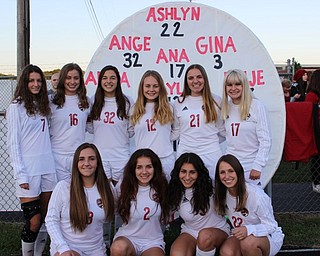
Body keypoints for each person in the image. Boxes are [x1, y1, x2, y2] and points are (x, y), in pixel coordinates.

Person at [6, 64, 56, 256]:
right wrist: (20, 175)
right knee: (33, 221)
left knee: (45, 218)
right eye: (31, 81)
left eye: (38, 81)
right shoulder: (16, 107)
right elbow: (13, 144)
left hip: (48, 169)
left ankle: (39, 253)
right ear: (24, 83)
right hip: (28, 171)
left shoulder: (45, 105)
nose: (35, 84)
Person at [45, 143, 115, 256]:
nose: (86, 163)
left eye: (91, 159)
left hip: (96, 250)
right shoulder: (63, 187)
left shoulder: (107, 188)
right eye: (81, 159)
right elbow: (51, 220)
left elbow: (118, 210)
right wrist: (63, 248)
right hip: (69, 248)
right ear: (76, 164)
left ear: (98, 163)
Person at [214, 154, 284, 256]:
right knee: (227, 252)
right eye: (222, 172)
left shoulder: (256, 196)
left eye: (231, 171)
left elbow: (271, 226)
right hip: (241, 234)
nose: (227, 176)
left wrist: (248, 230)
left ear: (238, 172)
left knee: (248, 244)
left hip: (268, 237)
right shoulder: (222, 194)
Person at [167, 152, 229, 256]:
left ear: (199, 173)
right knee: (177, 253)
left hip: (217, 229)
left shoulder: (212, 187)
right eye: (183, 172)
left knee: (204, 237)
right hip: (190, 231)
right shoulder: (175, 191)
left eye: (192, 172)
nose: (187, 177)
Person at [110, 148, 169, 256]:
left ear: (155, 168)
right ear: (133, 169)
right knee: (119, 248)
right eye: (139, 167)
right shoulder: (124, 186)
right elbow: (113, 209)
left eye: (149, 167)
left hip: (152, 241)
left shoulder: (162, 186)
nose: (144, 172)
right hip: (128, 237)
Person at [173, 64, 225, 179]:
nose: (195, 81)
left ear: (205, 78)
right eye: (191, 78)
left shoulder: (216, 101)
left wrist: (209, 142)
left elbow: (222, 131)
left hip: (211, 155)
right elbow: (176, 131)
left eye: (199, 77)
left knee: (213, 190)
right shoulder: (179, 102)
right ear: (186, 81)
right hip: (186, 154)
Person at [221, 69, 271, 186]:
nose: (233, 88)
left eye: (237, 84)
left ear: (244, 85)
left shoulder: (257, 106)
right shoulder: (225, 107)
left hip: (251, 166)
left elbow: (265, 140)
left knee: (251, 202)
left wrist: (258, 165)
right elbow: (223, 134)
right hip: (231, 166)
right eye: (229, 85)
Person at [90, 65, 134, 186]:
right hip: (100, 156)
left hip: (121, 156)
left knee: (121, 194)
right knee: (104, 194)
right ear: (100, 81)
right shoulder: (93, 101)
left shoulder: (127, 102)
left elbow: (131, 130)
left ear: (118, 80)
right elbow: (90, 127)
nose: (108, 81)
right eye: (105, 78)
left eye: (112, 78)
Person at [131, 70, 176, 180]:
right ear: (142, 88)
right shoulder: (134, 109)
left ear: (160, 88)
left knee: (166, 193)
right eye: (147, 86)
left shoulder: (169, 107)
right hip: (143, 162)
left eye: (155, 86)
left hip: (165, 159)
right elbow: (130, 131)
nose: (151, 90)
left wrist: (164, 139)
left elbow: (177, 129)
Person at [49, 63, 91, 182]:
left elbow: (91, 126)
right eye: (68, 78)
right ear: (62, 79)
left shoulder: (86, 101)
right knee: (60, 194)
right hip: (57, 155)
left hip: (78, 156)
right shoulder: (51, 101)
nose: (72, 82)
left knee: (78, 195)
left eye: (76, 78)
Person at [305, 69, 320, 193]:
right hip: (316, 130)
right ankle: (316, 182)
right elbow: (307, 113)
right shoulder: (312, 95)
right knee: (317, 156)